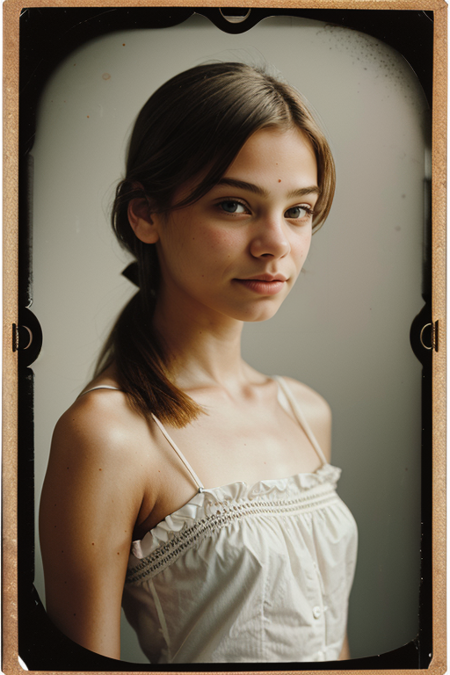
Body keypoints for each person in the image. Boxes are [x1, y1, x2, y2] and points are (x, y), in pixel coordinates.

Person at [39, 62, 358, 664]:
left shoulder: (306, 411)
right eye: (235, 205)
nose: (275, 245)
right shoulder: (108, 436)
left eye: (298, 211)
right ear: (146, 214)